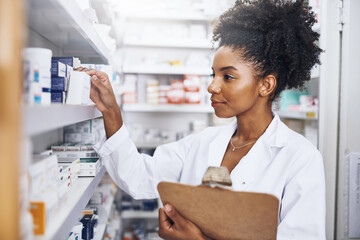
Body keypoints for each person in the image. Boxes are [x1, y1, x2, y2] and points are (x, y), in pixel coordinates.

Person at [79, 0, 325, 239]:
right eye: (213, 74)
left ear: (266, 84)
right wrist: (110, 111)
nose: (211, 86)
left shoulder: (300, 158)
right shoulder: (203, 142)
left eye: (227, 77)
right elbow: (137, 177)